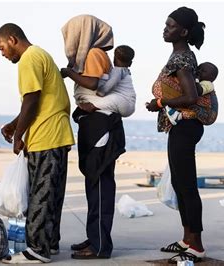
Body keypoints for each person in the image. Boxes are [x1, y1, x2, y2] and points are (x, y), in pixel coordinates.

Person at [0, 23, 75, 264]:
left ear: (12, 39)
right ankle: (50, 243)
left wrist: (18, 136)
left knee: (40, 193)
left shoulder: (29, 58)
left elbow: (31, 99)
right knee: (53, 194)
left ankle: (37, 250)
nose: (2, 53)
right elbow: (38, 101)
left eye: (1, 47)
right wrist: (14, 124)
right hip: (57, 135)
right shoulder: (41, 54)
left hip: (46, 137)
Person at [60, 14, 126, 260]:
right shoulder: (90, 56)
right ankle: (95, 237)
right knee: (94, 186)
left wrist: (67, 72)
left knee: (99, 186)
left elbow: (94, 83)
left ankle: (99, 246)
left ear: (82, 33)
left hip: (101, 128)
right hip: (96, 126)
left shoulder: (94, 54)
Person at [146, 6, 207, 263]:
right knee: (181, 186)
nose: (165, 29)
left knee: (187, 186)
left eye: (170, 26)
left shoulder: (182, 58)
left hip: (185, 127)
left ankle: (197, 246)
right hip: (180, 127)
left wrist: (159, 104)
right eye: (166, 24)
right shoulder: (181, 55)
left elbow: (191, 96)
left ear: (182, 31)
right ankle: (187, 239)